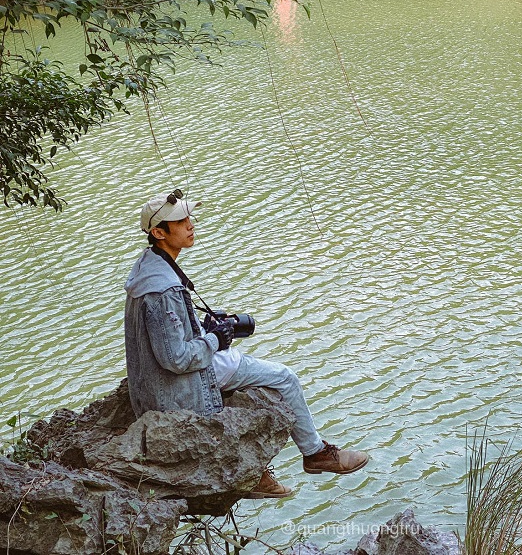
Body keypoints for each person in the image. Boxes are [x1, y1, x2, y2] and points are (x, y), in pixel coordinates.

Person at [124, 190, 369, 500]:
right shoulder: (163, 290)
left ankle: (260, 471)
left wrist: (204, 328)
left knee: (244, 364)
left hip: (156, 386)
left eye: (189, 217)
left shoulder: (148, 268)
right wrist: (216, 338)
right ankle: (314, 453)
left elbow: (167, 334)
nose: (190, 224)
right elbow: (177, 358)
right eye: (180, 221)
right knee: (285, 378)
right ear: (159, 232)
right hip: (177, 389)